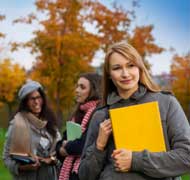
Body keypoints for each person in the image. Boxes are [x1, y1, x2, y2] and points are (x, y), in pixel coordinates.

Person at [78, 42, 190, 180]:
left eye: (131, 65)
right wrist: (98, 146)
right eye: (117, 68)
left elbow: (186, 157)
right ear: (109, 75)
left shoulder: (166, 103)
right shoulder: (100, 115)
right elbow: (84, 176)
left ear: (139, 68)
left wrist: (135, 161)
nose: (125, 74)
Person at [3, 80, 61, 180]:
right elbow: (6, 158)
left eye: (38, 97)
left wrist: (53, 160)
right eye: (31, 99)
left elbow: (59, 153)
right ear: (25, 102)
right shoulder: (17, 125)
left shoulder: (50, 122)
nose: (36, 102)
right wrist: (22, 167)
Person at [56, 72, 102, 180]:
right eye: (77, 86)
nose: (77, 90)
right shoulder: (77, 114)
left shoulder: (98, 114)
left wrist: (66, 146)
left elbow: (83, 146)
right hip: (70, 172)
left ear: (93, 91)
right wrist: (62, 147)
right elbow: (59, 144)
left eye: (82, 87)